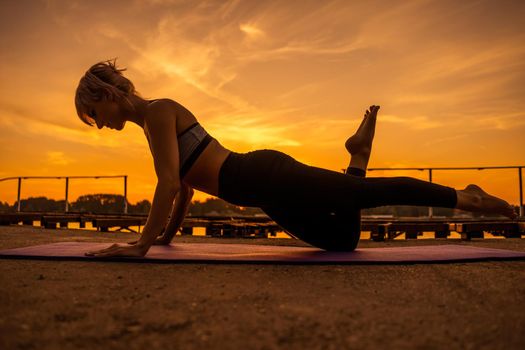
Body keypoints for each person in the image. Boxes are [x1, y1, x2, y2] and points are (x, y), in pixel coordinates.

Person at [75, 59, 517, 258]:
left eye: (93, 114)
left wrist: (141, 246)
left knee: (365, 195)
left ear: (109, 95)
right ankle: (358, 154)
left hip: (265, 172)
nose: (97, 123)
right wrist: (166, 240)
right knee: (342, 241)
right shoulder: (152, 126)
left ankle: (466, 197)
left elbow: (169, 185)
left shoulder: (157, 112)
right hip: (264, 193)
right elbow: (186, 189)